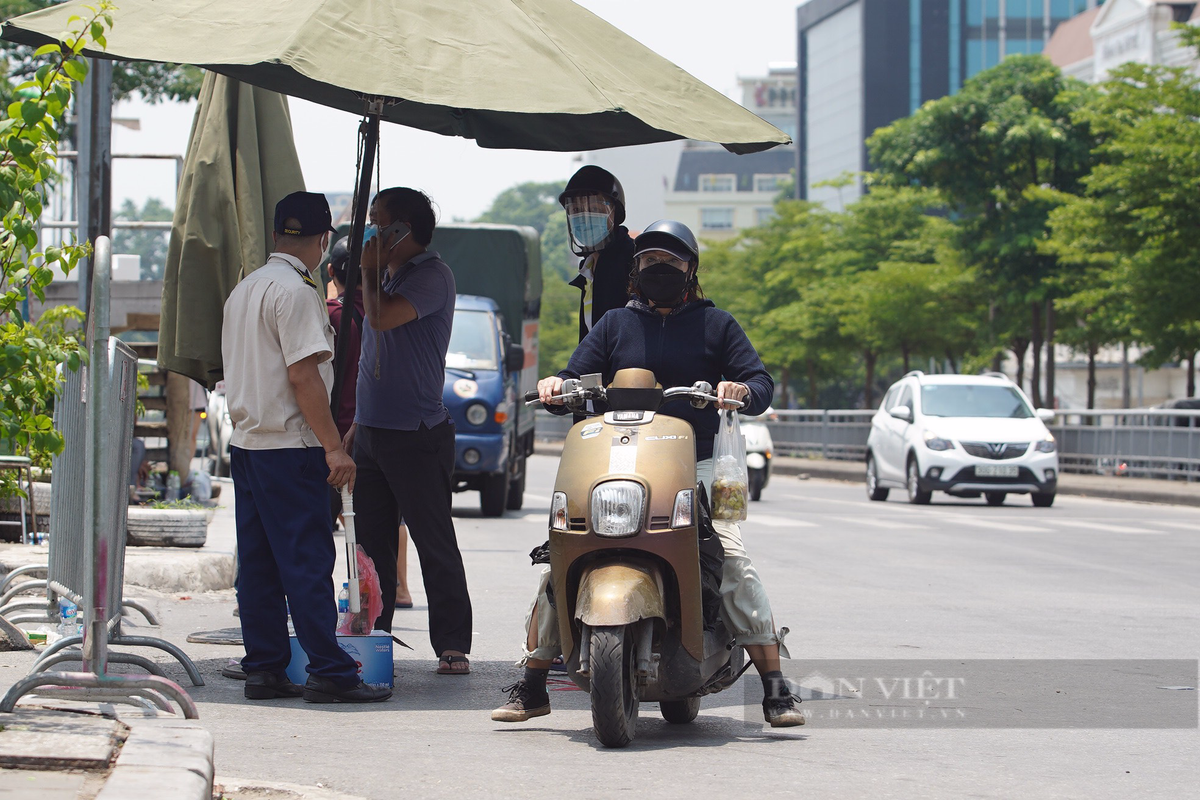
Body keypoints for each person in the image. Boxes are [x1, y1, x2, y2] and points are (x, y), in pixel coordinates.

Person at [491, 220, 804, 728]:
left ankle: (774, 685)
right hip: (619, 460)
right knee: (562, 556)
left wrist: (740, 391)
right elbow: (575, 376)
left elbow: (760, 381)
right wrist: (556, 384)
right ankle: (532, 684)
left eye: (672, 263)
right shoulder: (615, 323)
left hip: (695, 465)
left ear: (691, 270)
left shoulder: (717, 324)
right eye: (650, 262)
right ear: (635, 270)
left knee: (730, 560)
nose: (660, 270)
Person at [221, 191, 390, 704]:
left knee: (259, 566)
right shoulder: (296, 293)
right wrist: (333, 448)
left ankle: (265, 668)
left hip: (248, 444)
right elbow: (304, 376)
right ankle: (330, 671)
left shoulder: (245, 289)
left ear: (277, 235)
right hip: (288, 448)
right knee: (306, 563)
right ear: (322, 241)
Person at [341, 187, 472, 674]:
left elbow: (380, 318)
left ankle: (453, 643)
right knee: (370, 547)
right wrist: (357, 423)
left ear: (404, 231)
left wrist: (370, 267)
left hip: (417, 433)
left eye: (379, 222)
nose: (371, 230)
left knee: (432, 539)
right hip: (373, 431)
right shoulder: (389, 277)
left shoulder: (431, 277)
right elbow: (374, 360)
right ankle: (374, 633)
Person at [325, 238, 413, 609]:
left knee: (324, 525)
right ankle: (397, 589)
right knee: (383, 523)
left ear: (331, 273)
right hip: (374, 433)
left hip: (330, 439)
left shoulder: (329, 316)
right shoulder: (391, 315)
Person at [560, 165, 636, 341]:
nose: (585, 218)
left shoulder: (633, 261)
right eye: (576, 211)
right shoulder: (589, 268)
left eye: (594, 209)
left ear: (615, 214)